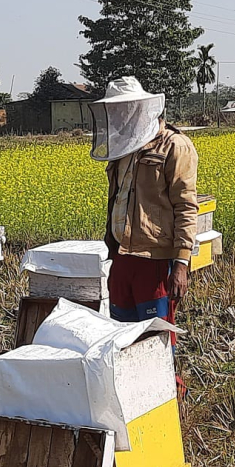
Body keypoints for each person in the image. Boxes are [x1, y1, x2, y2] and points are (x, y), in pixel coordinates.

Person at [88, 76, 199, 392]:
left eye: (125, 111)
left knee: (156, 338)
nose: (120, 119)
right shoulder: (122, 148)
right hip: (122, 258)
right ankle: (133, 395)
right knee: (122, 335)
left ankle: (166, 396)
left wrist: (180, 264)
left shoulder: (174, 146)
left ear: (142, 109)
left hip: (155, 261)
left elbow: (186, 208)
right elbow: (116, 200)